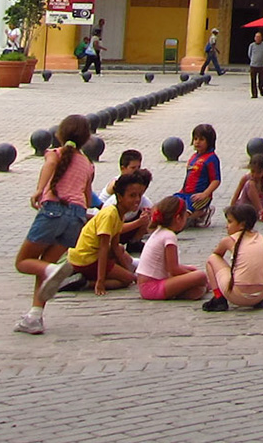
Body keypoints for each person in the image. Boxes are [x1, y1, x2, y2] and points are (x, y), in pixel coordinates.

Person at [13, 113, 95, 334]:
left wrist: (40, 189)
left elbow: (49, 165)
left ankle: (55, 269)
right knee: (44, 268)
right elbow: (87, 197)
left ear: (60, 134)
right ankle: (34, 316)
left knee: (23, 262)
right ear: (87, 139)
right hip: (76, 216)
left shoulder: (55, 153)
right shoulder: (88, 163)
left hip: (54, 210)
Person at [52, 167, 149, 296]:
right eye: (132, 196)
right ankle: (85, 282)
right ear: (119, 197)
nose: (137, 200)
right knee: (127, 280)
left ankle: (89, 275)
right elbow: (104, 248)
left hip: (90, 254)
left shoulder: (120, 214)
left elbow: (114, 246)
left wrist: (127, 270)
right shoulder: (110, 214)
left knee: (120, 250)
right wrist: (100, 281)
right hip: (86, 258)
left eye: (139, 195)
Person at [135, 196, 211, 301]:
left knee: (193, 272)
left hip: (147, 286)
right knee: (200, 276)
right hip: (152, 287)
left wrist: (190, 271)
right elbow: (173, 270)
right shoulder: (169, 236)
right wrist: (194, 276)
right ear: (178, 218)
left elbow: (169, 266)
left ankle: (196, 289)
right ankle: (204, 286)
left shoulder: (159, 231)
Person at [203, 202, 263, 311]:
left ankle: (218, 298)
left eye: (230, 222)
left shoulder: (229, 240)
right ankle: (258, 299)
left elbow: (217, 255)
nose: (226, 226)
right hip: (260, 294)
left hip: (238, 295)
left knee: (212, 259)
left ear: (241, 224)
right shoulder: (260, 237)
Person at [177, 124, 222, 229]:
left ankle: (202, 213)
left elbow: (216, 180)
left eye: (201, 139)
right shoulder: (194, 157)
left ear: (209, 142)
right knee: (173, 206)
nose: (197, 142)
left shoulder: (211, 159)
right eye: (195, 139)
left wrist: (205, 194)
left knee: (187, 213)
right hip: (185, 193)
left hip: (200, 196)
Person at [247, 32, 263, 98]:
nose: (258, 38)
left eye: (259, 37)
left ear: (261, 38)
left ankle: (260, 87)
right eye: (256, 37)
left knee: (262, 79)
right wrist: (253, 60)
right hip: (253, 65)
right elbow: (249, 54)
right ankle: (254, 94)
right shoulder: (252, 45)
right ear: (254, 38)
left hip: (262, 65)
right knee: (253, 80)